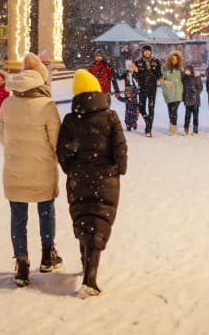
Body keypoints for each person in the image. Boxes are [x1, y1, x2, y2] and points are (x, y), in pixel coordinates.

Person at [57, 70, 128, 297]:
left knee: (83, 217)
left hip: (79, 177)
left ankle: (85, 262)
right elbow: (120, 146)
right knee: (99, 221)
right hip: (105, 177)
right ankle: (90, 276)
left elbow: (63, 150)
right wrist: (118, 169)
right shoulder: (110, 117)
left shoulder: (71, 120)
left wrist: (71, 168)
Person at [0, 57, 63, 287]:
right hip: (42, 168)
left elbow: (0, 136)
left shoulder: (8, 104)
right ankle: (47, 254)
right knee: (46, 211)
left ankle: (22, 263)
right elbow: (56, 141)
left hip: (15, 170)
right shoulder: (46, 105)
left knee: (18, 217)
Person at [133, 45, 162, 137]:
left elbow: (159, 73)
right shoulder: (138, 62)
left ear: (150, 52)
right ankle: (148, 120)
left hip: (152, 88)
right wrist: (136, 71)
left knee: (151, 108)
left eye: (148, 51)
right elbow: (135, 77)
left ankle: (148, 129)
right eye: (145, 51)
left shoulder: (156, 61)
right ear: (143, 52)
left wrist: (160, 78)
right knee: (141, 108)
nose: (147, 52)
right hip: (142, 88)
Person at [160, 50, 184, 135]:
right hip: (168, 92)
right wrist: (164, 82)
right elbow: (160, 79)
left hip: (178, 92)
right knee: (170, 110)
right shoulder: (164, 68)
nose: (175, 60)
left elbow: (186, 77)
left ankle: (173, 126)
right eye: (173, 58)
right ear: (170, 59)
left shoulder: (181, 68)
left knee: (174, 110)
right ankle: (172, 124)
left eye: (176, 58)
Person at [182, 64, 202, 135]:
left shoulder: (196, 77)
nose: (187, 71)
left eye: (188, 70)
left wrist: (198, 79)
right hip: (187, 100)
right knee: (187, 116)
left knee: (195, 116)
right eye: (186, 70)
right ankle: (186, 129)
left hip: (195, 100)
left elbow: (200, 88)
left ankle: (195, 129)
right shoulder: (184, 78)